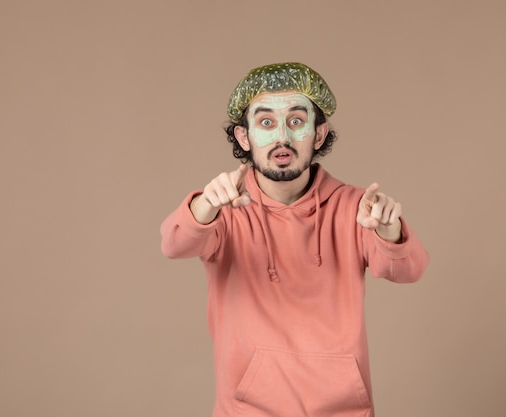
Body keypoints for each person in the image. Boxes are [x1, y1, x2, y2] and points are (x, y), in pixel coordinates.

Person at [160, 62, 429, 417]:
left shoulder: (356, 207)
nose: (282, 137)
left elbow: (407, 270)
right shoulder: (226, 207)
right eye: (266, 123)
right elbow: (175, 244)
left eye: (297, 121)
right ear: (245, 137)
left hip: (342, 409)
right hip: (247, 410)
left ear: (318, 134)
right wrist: (205, 204)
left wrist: (388, 229)